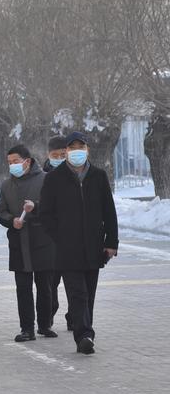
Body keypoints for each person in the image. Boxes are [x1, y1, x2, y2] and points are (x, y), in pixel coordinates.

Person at [39, 131, 119, 355]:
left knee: (89, 293)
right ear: (66, 152)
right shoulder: (54, 178)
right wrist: (60, 236)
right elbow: (45, 214)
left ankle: (85, 329)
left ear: (87, 150)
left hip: (94, 246)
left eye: (80, 147)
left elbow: (109, 211)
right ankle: (84, 335)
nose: (77, 152)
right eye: (72, 148)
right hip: (67, 249)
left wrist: (111, 242)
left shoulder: (98, 176)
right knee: (77, 293)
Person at [0, 145, 57, 342]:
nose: (12, 165)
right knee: (23, 288)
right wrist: (11, 220)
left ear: (27, 161)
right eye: (10, 162)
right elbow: (0, 211)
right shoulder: (6, 186)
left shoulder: (46, 180)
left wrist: (35, 208)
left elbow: (55, 207)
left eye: (16, 161)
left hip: (43, 241)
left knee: (45, 286)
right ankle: (27, 328)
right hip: (18, 242)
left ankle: (45, 325)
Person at [43, 135, 72, 330]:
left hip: (72, 238)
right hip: (50, 239)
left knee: (75, 282)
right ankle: (49, 314)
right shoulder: (42, 174)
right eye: (56, 155)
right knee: (50, 283)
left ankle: (75, 318)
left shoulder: (77, 173)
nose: (59, 158)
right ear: (48, 155)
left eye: (63, 154)